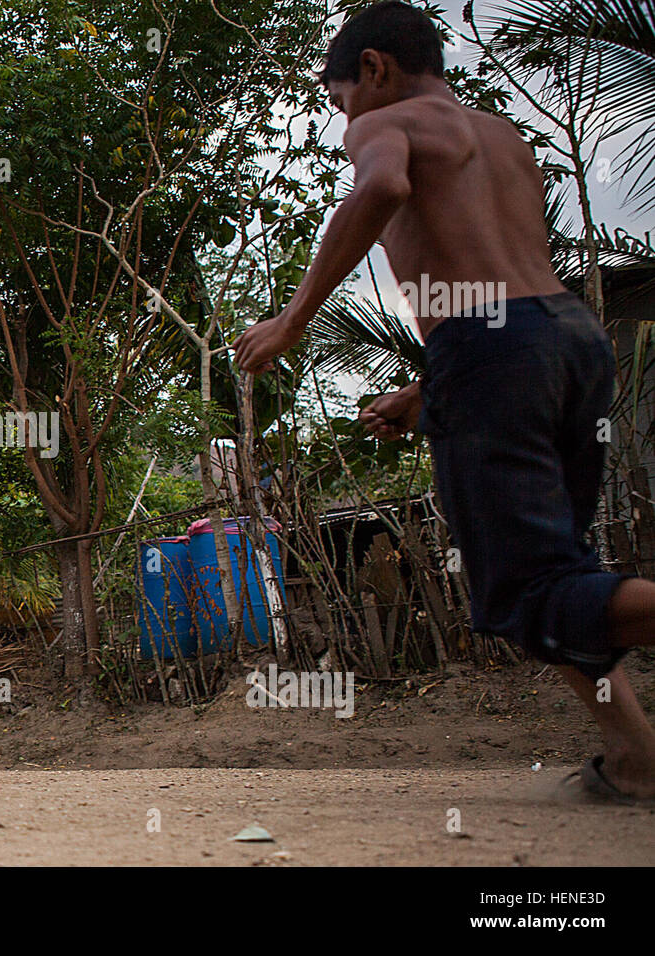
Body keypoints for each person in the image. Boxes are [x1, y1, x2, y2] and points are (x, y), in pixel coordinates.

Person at [233, 1, 655, 804]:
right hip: (572, 341)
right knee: (561, 580)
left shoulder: (385, 122)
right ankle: (635, 759)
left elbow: (384, 185)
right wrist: (428, 390)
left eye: (338, 100)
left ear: (373, 69)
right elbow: (516, 291)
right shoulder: (504, 139)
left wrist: (292, 320)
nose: (345, 119)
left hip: (493, 349)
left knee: (530, 593)